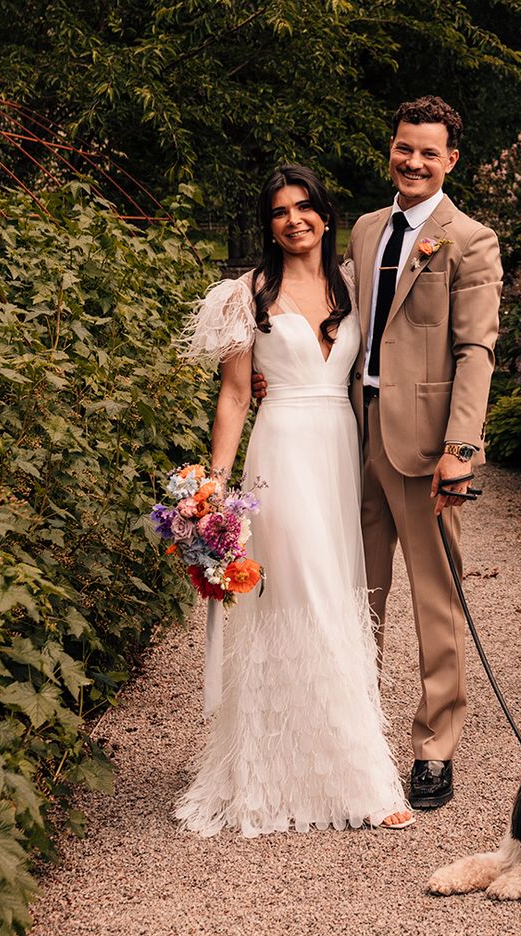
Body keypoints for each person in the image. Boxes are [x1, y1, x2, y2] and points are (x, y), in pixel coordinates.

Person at [254, 96, 502, 810]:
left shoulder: (471, 240)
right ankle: (350, 737)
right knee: (353, 595)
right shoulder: (363, 228)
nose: (414, 162)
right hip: (348, 435)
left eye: (429, 152)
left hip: (426, 451)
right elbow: (329, 308)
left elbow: (475, 349)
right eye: (404, 148)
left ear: (451, 159)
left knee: (434, 601)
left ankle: (434, 749)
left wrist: (462, 447)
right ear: (389, 150)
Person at [175, 164, 413, 835]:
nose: (295, 220)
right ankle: (363, 782)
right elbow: (232, 393)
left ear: (325, 213)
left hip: (342, 452)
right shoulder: (244, 295)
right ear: (268, 225)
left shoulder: (355, 285)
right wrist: (215, 485)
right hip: (281, 455)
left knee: (340, 596)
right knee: (302, 594)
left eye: (305, 207)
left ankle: (326, 767)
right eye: (280, 212)